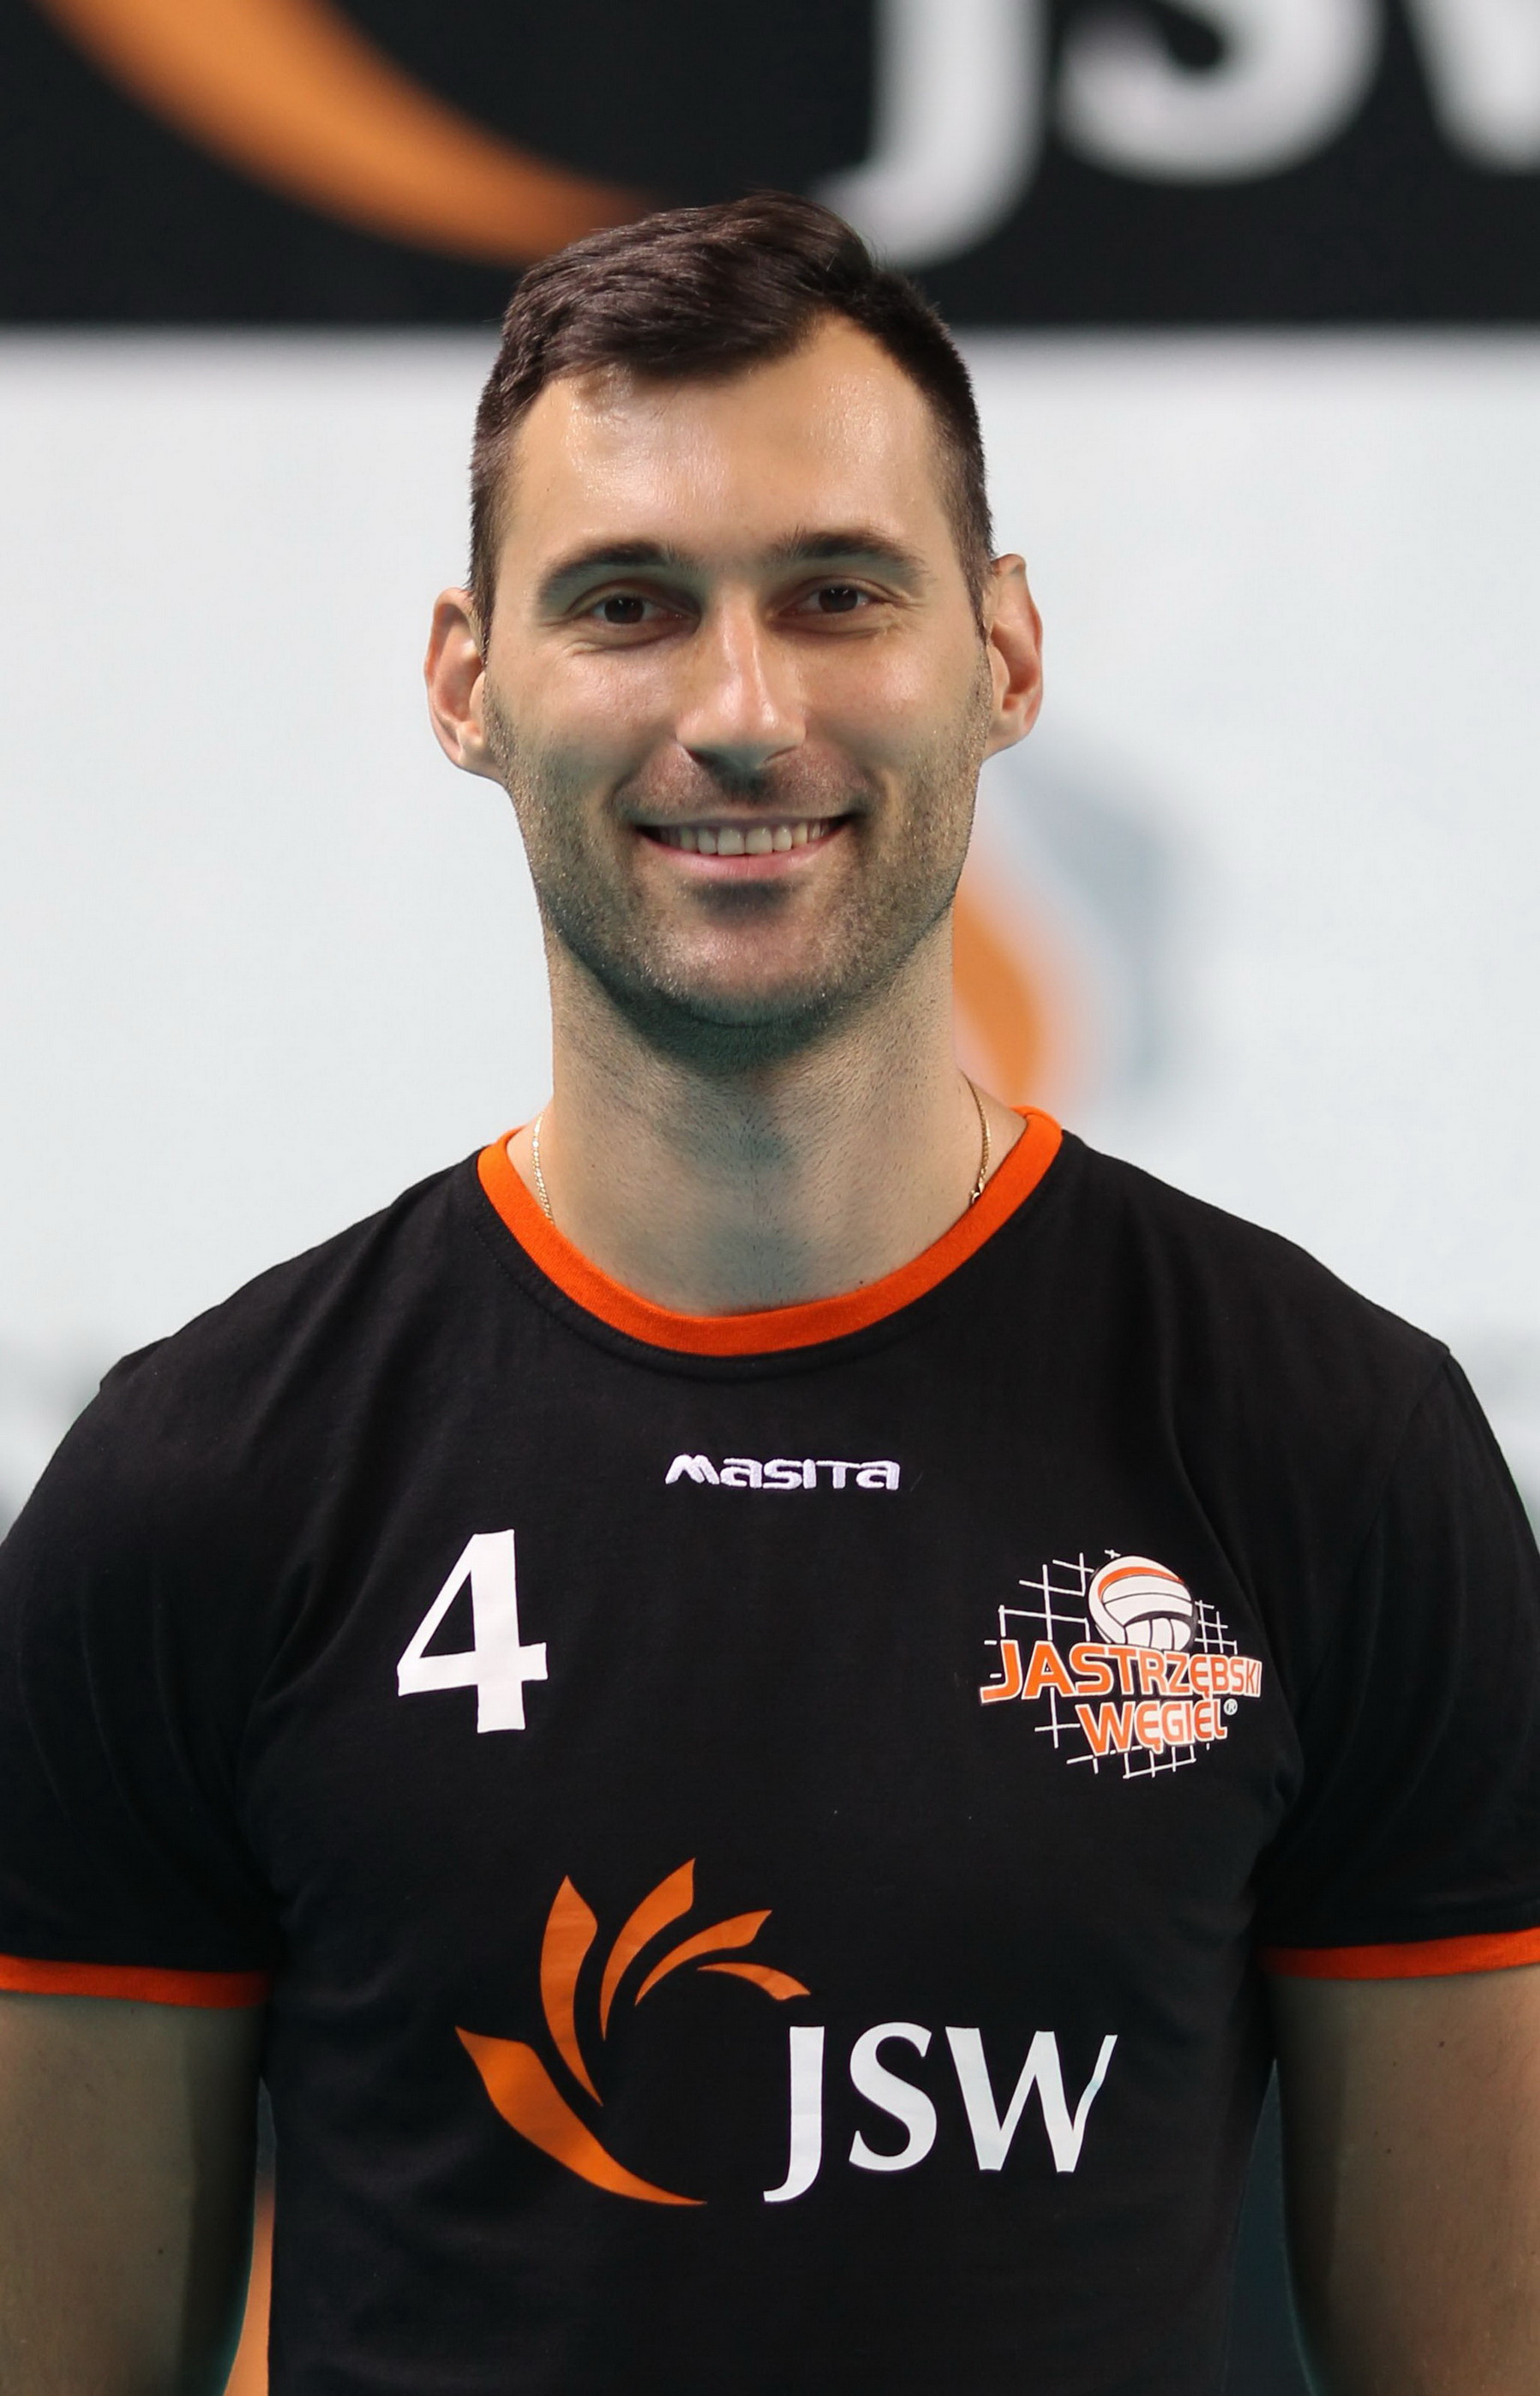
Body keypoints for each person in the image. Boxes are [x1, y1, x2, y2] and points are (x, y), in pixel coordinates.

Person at [1, 193, 1537, 2396]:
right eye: (629, 603)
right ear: (468, 680)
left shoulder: (1331, 1449)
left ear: (1003, 651)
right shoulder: (198, 1491)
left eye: (837, 594)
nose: (741, 712)